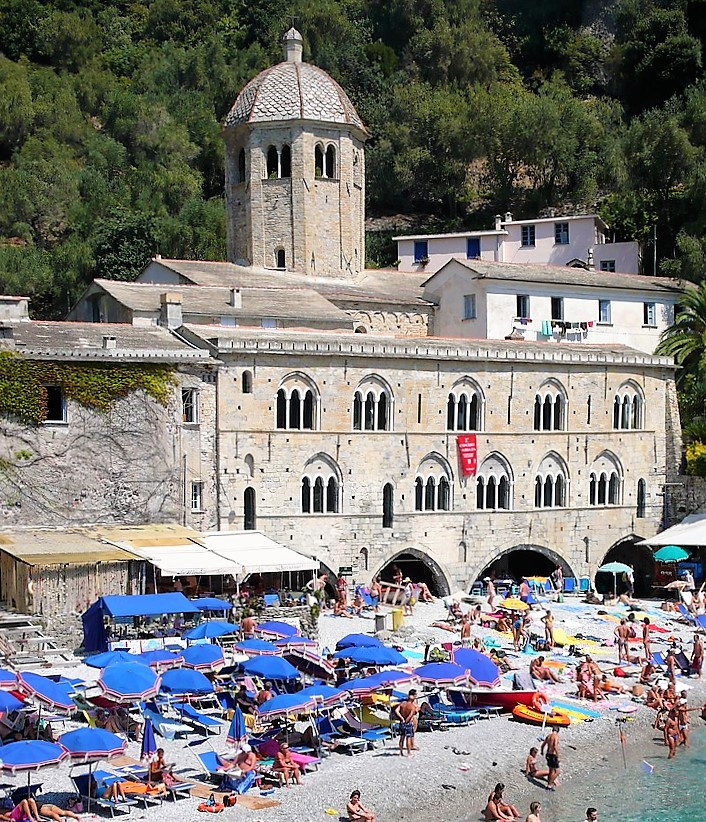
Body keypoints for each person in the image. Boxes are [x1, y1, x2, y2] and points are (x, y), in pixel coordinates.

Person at [393, 690, 420, 757]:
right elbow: (411, 715)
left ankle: (401, 752)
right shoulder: (412, 706)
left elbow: (396, 711)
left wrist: (402, 718)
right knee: (408, 738)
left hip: (402, 722)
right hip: (408, 723)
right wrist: (406, 720)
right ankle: (408, 753)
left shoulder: (402, 703)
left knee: (402, 738)